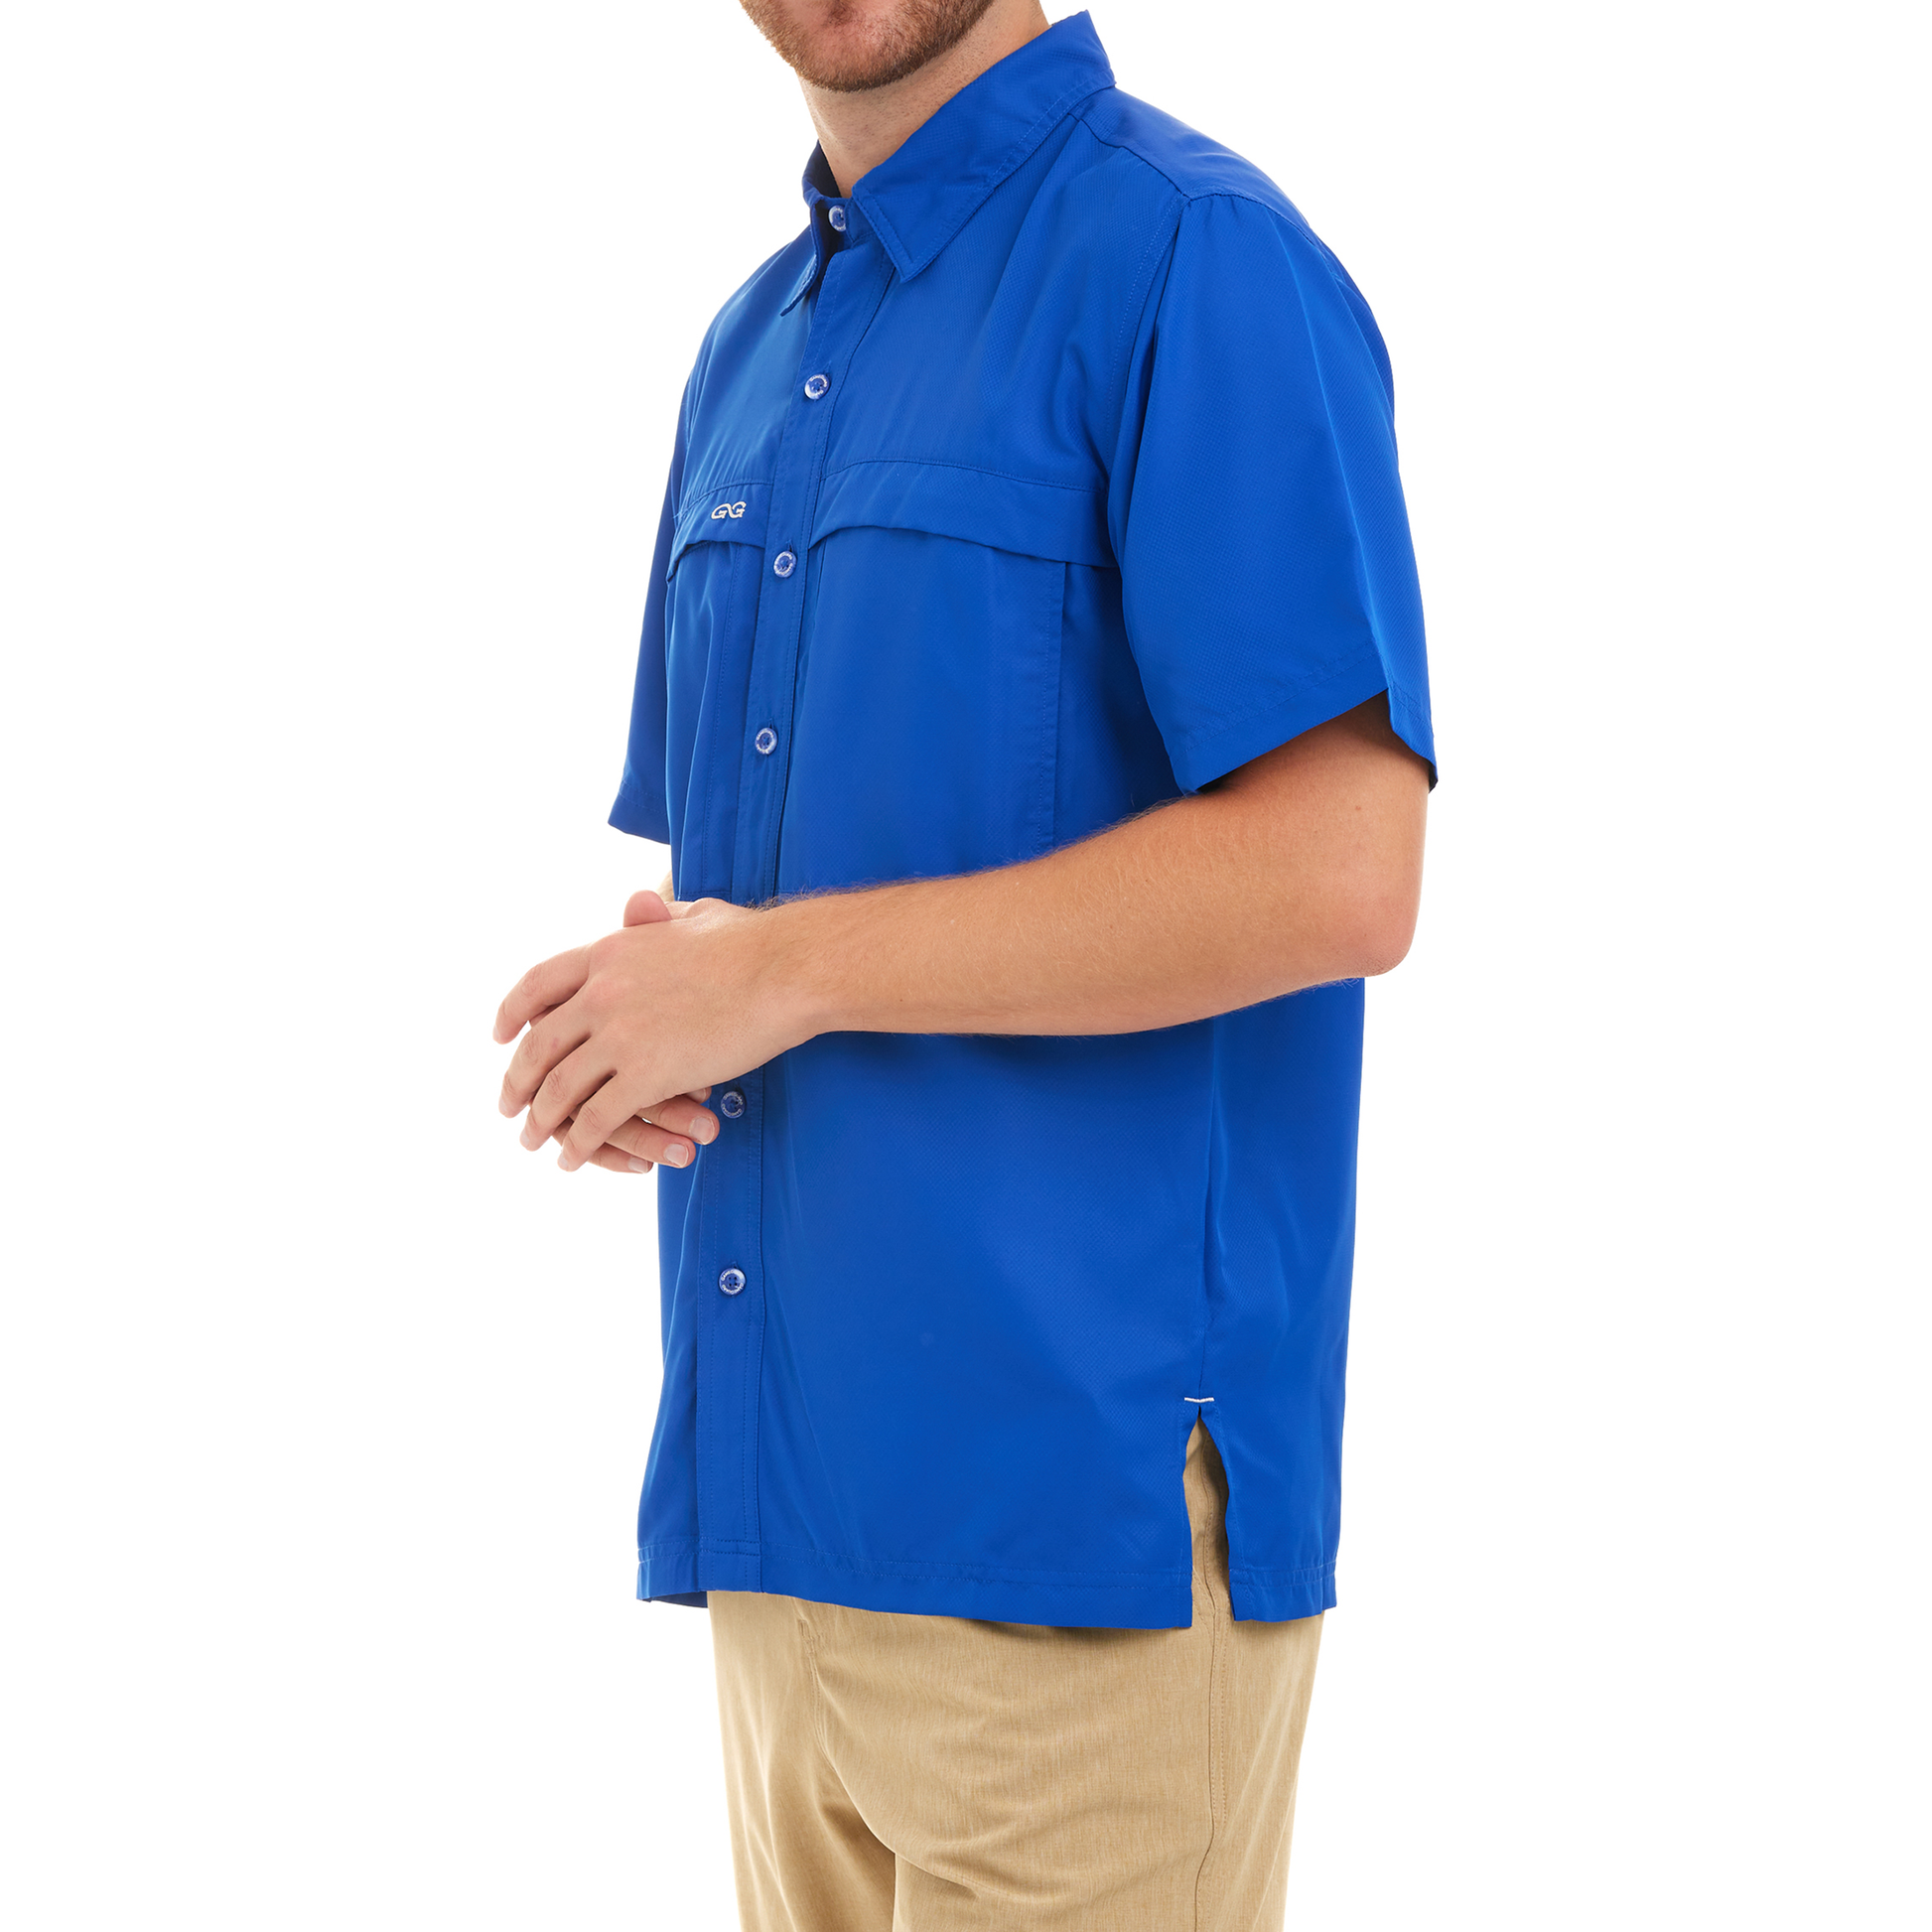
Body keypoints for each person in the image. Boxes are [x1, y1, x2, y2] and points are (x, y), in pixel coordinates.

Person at [492, 3, 1436, 1925]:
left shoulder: (1194, 257)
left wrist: (782, 975)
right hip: (779, 1535)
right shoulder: (749, 352)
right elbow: (757, 912)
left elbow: (1340, 870)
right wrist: (652, 1030)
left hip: (1077, 1543)